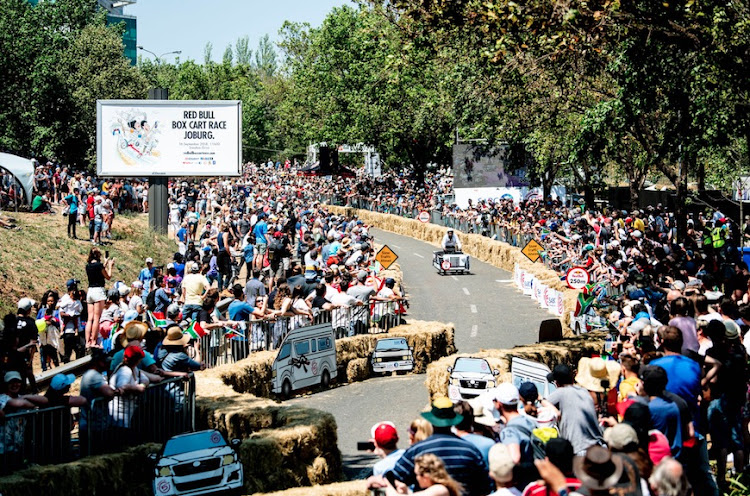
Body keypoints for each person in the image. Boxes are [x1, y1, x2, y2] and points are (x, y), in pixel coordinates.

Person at [388, 397, 490, 496]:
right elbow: (485, 485)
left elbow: (394, 477)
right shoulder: (470, 450)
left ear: (432, 421)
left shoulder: (417, 450)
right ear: (453, 421)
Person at [541, 364, 604, 456]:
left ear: (557, 383)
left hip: (579, 449)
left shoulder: (561, 392)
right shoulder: (584, 391)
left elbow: (543, 404)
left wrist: (539, 398)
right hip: (598, 445)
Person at [79, 349, 118, 455]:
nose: (108, 364)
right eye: (105, 362)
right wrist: (116, 391)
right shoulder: (94, 376)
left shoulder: (91, 374)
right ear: (98, 362)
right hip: (93, 424)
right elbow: (109, 393)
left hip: (93, 422)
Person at [369, 453, 464, 496]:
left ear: (426, 476)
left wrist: (386, 483)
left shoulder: (439, 489)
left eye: (417, 474)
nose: (417, 478)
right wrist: (407, 492)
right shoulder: (437, 489)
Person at [84, 247, 114, 348]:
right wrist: (110, 266)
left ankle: (87, 341)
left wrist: (104, 264)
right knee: (97, 318)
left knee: (90, 319)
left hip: (90, 291)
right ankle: (94, 341)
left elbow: (98, 272)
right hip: (98, 291)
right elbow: (108, 276)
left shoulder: (88, 266)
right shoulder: (99, 265)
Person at [57, 279, 83, 362]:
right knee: (68, 351)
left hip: (77, 329)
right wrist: (71, 316)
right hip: (68, 330)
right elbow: (61, 313)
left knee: (80, 349)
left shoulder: (76, 300)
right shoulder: (65, 299)